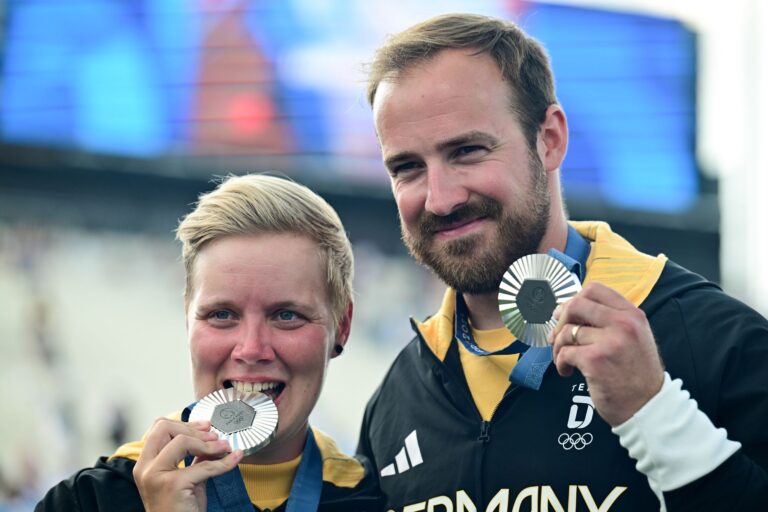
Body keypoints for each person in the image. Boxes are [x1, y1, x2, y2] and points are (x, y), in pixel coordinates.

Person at [357, 13, 768, 512]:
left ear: (549, 139)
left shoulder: (715, 340)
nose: (440, 199)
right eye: (407, 167)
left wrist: (656, 414)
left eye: (467, 151)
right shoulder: (398, 396)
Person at [36, 174, 382, 511]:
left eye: (286, 315)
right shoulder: (87, 501)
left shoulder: (377, 499)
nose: (251, 349)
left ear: (342, 326)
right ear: (188, 320)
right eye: (221, 314)